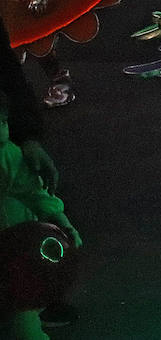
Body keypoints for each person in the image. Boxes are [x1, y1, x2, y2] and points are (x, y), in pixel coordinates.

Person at [0, 90, 80, 340]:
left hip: (12, 258)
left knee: (22, 326)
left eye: (2, 121)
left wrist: (59, 219)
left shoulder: (6, 154)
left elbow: (34, 190)